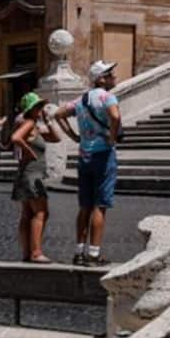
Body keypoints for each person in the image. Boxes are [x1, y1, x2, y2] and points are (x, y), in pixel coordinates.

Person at [56, 59, 121, 267]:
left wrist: (74, 137)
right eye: (111, 74)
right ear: (101, 78)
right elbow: (115, 116)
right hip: (103, 155)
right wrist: (112, 136)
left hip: (84, 156)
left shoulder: (82, 100)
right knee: (100, 206)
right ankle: (94, 254)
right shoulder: (107, 97)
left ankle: (79, 252)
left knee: (84, 206)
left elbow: (58, 114)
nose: (114, 77)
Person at [9, 92, 57, 264]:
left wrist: (48, 120)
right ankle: (36, 252)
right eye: (39, 106)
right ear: (31, 109)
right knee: (41, 212)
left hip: (26, 173)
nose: (41, 109)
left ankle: (27, 252)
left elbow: (56, 138)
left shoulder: (35, 125)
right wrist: (29, 151)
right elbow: (15, 138)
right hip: (32, 174)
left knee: (27, 213)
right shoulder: (29, 123)